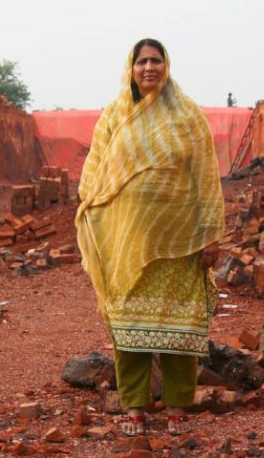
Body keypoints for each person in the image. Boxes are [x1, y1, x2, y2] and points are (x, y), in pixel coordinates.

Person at [75, 38, 224, 436]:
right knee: (128, 330)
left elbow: (206, 177)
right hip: (126, 244)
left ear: (167, 65)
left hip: (180, 243)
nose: (148, 68)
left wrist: (211, 234)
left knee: (180, 331)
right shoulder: (114, 116)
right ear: (131, 67)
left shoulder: (188, 116)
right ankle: (135, 409)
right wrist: (91, 209)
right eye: (141, 61)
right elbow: (95, 169)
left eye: (156, 60)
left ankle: (177, 407)